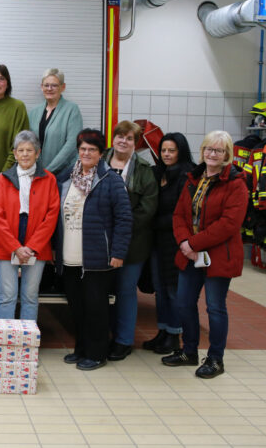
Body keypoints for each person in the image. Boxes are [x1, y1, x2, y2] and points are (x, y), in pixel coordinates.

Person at [162, 131, 248, 379]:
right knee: (184, 303)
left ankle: (215, 359)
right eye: (209, 149)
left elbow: (229, 224)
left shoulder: (236, 183)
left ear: (227, 155)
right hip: (190, 254)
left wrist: (194, 243)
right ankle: (189, 351)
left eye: (218, 150)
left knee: (215, 308)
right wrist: (184, 243)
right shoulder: (193, 179)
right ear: (202, 151)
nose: (212, 154)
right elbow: (178, 215)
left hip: (218, 255)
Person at [54, 129, 132, 371]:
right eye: (83, 149)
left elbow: (124, 219)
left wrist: (118, 253)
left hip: (97, 259)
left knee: (96, 308)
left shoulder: (111, 181)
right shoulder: (66, 179)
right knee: (77, 308)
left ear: (100, 154)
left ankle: (97, 354)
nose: (86, 153)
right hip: (69, 257)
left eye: (92, 150)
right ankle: (81, 349)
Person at [0, 130, 60, 321]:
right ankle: (6, 343)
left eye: (30, 150)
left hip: (36, 245)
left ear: (38, 153)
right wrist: (15, 247)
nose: (25, 154)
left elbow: (51, 216)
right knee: (7, 296)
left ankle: (26, 344)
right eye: (21, 150)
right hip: (6, 243)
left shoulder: (49, 179)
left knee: (30, 296)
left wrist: (31, 247)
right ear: (15, 152)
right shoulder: (3, 179)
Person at [104, 120, 158, 361]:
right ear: (113, 138)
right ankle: (102, 335)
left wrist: (120, 229)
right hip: (99, 241)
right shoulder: (98, 160)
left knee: (125, 292)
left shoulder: (145, 170)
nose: (123, 141)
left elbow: (147, 209)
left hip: (132, 244)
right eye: (119, 136)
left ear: (136, 145)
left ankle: (123, 340)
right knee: (102, 292)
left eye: (129, 139)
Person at [143, 132, 195, 355]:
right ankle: (163, 331)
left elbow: (181, 213)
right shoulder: (158, 173)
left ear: (180, 151)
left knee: (174, 290)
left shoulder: (188, 176)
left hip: (176, 242)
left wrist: (152, 219)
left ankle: (175, 335)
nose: (166, 154)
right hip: (157, 241)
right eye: (163, 150)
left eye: (171, 150)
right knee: (160, 290)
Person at [27, 68, 84, 174]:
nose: (49, 88)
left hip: (64, 173)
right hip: (37, 172)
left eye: (54, 85)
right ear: (41, 87)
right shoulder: (34, 112)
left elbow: (72, 143)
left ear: (63, 87)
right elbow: (30, 142)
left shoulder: (72, 110)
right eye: (46, 85)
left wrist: (49, 170)